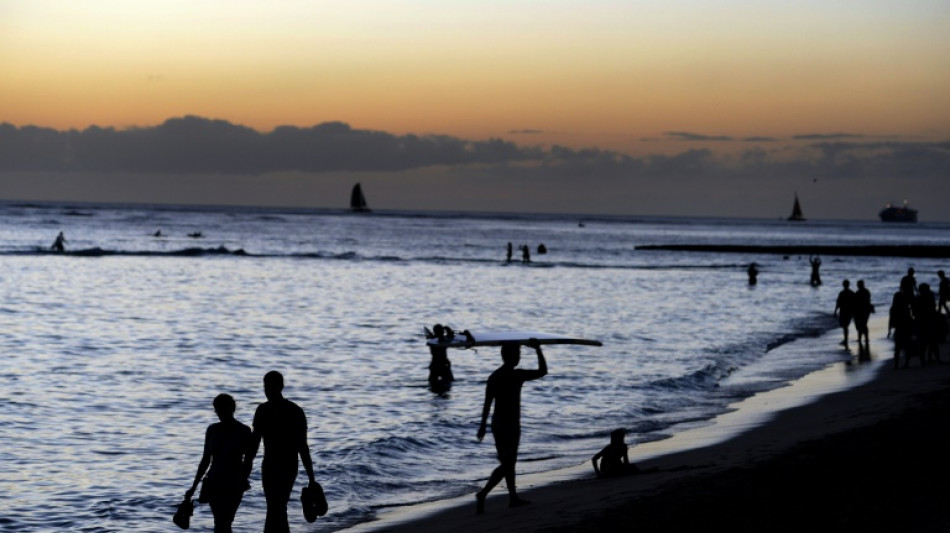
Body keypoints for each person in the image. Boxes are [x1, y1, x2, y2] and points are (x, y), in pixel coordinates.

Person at [475, 340, 547, 514]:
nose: (518, 357)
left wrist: (538, 350)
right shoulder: (505, 376)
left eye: (519, 354)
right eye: (516, 354)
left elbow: (542, 372)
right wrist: (482, 426)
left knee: (510, 462)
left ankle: (512, 498)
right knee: (508, 463)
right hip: (502, 424)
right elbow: (488, 403)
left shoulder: (510, 375)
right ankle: (483, 493)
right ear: (507, 356)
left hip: (507, 423)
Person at [246, 371, 318, 533]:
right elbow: (254, 443)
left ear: (281, 387)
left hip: (285, 466)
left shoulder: (292, 411)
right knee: (276, 507)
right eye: (266, 387)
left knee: (276, 507)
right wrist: (245, 470)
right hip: (273, 465)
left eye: (271, 387)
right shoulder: (265, 410)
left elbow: (302, 446)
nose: (268, 390)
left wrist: (311, 478)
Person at [184, 393, 252, 533]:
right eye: (217, 410)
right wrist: (194, 486)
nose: (219, 413)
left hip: (234, 483)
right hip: (214, 482)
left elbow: (248, 460)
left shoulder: (244, 431)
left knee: (225, 521)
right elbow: (205, 460)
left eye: (222, 409)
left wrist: (243, 479)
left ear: (232, 408)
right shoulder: (212, 430)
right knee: (220, 522)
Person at [888, 290, 915, 369]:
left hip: (898, 329)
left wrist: (889, 330)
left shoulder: (893, 308)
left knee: (897, 348)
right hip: (906, 328)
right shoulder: (906, 307)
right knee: (907, 347)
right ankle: (906, 364)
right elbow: (909, 318)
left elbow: (891, 320)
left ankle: (896, 365)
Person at [427, 324, 455, 391]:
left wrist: (448, 329)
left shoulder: (433, 339)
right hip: (442, 365)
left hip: (436, 365)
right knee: (449, 382)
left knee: (432, 383)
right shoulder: (440, 340)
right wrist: (448, 329)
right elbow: (450, 336)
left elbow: (450, 336)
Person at [853, 280, 874, 356]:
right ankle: (864, 338)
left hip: (862, 310)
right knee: (863, 324)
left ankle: (861, 338)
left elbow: (857, 302)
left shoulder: (859, 292)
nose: (858, 286)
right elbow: (868, 300)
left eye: (858, 284)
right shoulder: (865, 291)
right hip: (865, 310)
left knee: (861, 325)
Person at [834, 279, 855, 348]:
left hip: (844, 311)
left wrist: (835, 311)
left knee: (845, 326)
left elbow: (838, 303)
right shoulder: (851, 293)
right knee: (845, 326)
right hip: (849, 311)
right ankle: (846, 339)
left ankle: (846, 340)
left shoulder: (842, 293)